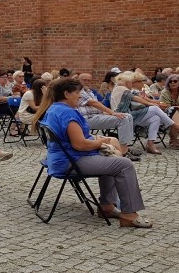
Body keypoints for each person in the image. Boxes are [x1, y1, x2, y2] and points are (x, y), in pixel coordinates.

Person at [33, 78, 151, 228]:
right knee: (124, 164)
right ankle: (128, 214)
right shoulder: (68, 114)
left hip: (60, 159)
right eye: (77, 93)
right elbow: (80, 145)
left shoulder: (53, 108)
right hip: (70, 162)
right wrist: (103, 142)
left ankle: (107, 206)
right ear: (66, 94)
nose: (81, 96)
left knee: (111, 159)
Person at [111, 71, 179, 154]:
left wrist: (153, 103)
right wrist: (153, 104)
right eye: (131, 81)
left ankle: (150, 144)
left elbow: (141, 98)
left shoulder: (123, 89)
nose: (131, 83)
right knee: (155, 109)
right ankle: (177, 127)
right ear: (127, 82)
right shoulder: (121, 88)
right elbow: (136, 99)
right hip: (124, 116)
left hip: (130, 116)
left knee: (155, 118)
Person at [76, 73, 138, 158]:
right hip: (87, 120)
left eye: (89, 80)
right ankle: (123, 151)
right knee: (123, 118)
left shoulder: (89, 91)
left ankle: (125, 147)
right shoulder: (79, 92)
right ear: (78, 81)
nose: (87, 82)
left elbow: (97, 106)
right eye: (84, 80)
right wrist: (112, 113)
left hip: (97, 116)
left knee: (127, 116)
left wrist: (108, 113)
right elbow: (94, 103)